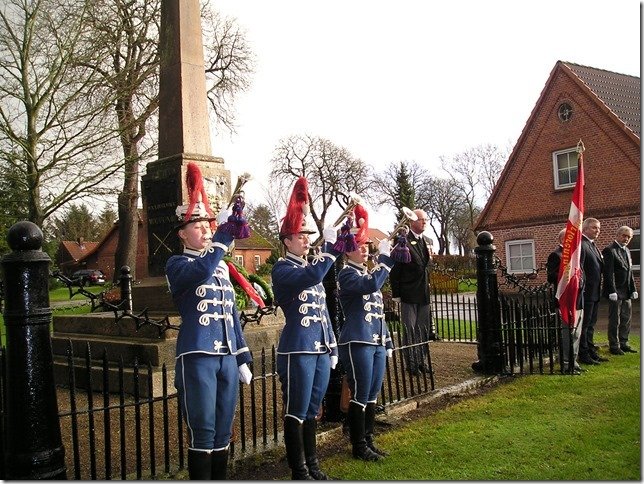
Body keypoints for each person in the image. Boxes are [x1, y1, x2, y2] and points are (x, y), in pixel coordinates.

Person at [165, 162, 253, 480]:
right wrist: (220, 241)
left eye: (208, 226)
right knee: (202, 432)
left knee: (222, 432)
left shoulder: (221, 268)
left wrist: (241, 357)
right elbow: (200, 269)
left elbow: (231, 315)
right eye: (198, 227)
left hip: (227, 357)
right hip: (198, 355)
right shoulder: (177, 264)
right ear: (182, 233)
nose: (205, 231)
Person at [271, 177, 341, 480]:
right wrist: (330, 249)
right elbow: (313, 276)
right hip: (297, 349)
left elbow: (323, 313)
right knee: (296, 409)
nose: (306, 240)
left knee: (312, 409)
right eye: (300, 236)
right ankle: (298, 470)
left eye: (308, 235)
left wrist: (332, 345)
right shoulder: (282, 269)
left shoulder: (310, 266)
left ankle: (313, 465)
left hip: (320, 349)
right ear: (287, 241)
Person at [337, 205, 395, 461]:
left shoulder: (368, 273)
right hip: (357, 340)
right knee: (360, 393)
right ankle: (358, 445)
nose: (365, 249)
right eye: (359, 245)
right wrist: (385, 262)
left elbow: (379, 311)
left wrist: (387, 340)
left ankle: (368, 440)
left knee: (372, 393)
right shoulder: (346, 275)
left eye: (366, 245)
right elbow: (371, 285)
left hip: (376, 340)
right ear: (347, 249)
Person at [389, 208, 435, 376]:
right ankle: (412, 364)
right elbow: (396, 270)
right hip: (408, 293)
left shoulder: (426, 241)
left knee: (423, 329)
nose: (425, 222)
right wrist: (396, 294)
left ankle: (421, 361)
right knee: (410, 330)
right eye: (421, 219)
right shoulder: (403, 241)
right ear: (412, 221)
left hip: (423, 293)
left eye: (426, 219)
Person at [546, 228, 585, 374]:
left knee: (576, 334)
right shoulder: (556, 255)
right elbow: (551, 276)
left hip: (578, 300)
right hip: (566, 301)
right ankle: (566, 363)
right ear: (563, 239)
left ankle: (574, 361)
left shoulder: (576, 254)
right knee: (567, 334)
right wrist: (566, 273)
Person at [602, 226, 639, 355]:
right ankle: (614, 345)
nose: (626, 239)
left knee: (626, 318)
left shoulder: (627, 250)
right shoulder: (609, 250)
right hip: (616, 291)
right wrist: (612, 290)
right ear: (617, 235)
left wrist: (633, 289)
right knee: (615, 320)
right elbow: (608, 273)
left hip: (626, 291)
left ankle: (624, 342)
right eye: (624, 235)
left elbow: (629, 272)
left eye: (629, 237)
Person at [578, 217, 606, 365]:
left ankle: (590, 350)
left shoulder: (592, 245)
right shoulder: (582, 245)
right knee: (585, 325)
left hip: (594, 292)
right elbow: (580, 270)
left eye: (599, 228)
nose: (597, 231)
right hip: (586, 293)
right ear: (585, 228)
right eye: (594, 227)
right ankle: (583, 354)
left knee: (591, 324)